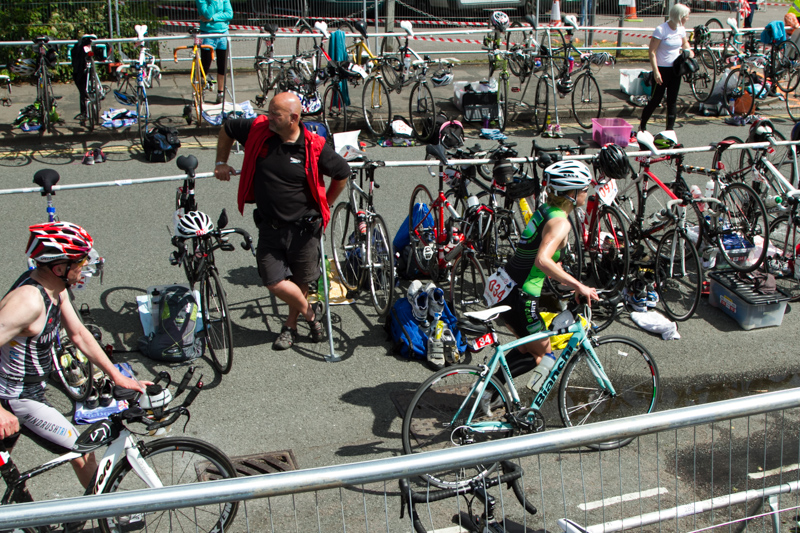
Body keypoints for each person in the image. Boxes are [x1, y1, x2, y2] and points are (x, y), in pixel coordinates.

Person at [0, 222, 146, 489]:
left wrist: (116, 376)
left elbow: (78, 333)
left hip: (30, 390)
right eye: (79, 262)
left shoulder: (55, 288)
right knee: (81, 450)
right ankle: (106, 516)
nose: (85, 268)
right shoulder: (28, 303)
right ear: (58, 268)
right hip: (14, 398)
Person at [214, 92, 351, 351]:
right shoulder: (259, 131)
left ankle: (289, 325)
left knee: (300, 281)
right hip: (269, 226)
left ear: (293, 118)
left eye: (274, 115)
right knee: (273, 281)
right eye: (268, 112)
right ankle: (311, 315)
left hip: (304, 229)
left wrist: (326, 205)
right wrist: (221, 162)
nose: (268, 118)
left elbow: (342, 173)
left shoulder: (313, 146)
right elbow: (228, 127)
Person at [494, 160, 599, 372]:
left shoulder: (545, 209)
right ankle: (486, 395)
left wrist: (561, 274)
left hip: (505, 282)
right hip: (521, 294)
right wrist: (580, 286)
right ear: (572, 192)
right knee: (542, 356)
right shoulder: (561, 222)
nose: (587, 193)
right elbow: (542, 260)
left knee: (527, 348)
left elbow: (535, 249)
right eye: (585, 189)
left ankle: (494, 393)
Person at [639, 3, 693, 133]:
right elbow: (652, 51)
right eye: (687, 16)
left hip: (676, 69)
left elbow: (685, 43)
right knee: (655, 100)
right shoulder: (661, 30)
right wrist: (656, 72)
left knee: (672, 101)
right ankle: (642, 126)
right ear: (680, 16)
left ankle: (669, 130)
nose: (688, 18)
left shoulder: (681, 29)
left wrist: (689, 51)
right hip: (662, 70)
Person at [197, 0, 233, 104]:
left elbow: (229, 14)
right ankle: (201, 90)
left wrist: (213, 18)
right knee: (205, 64)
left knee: (222, 65)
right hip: (208, 35)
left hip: (223, 34)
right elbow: (207, 13)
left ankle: (220, 93)